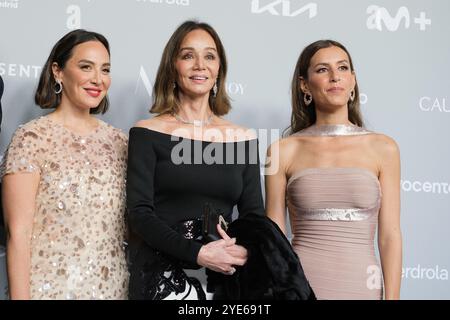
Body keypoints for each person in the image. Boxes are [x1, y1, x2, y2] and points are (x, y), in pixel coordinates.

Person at [126, 20, 265, 300]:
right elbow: (139, 213)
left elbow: (254, 216)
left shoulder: (242, 138)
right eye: (188, 55)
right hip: (163, 278)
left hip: (225, 277)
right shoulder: (147, 132)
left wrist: (243, 251)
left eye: (209, 56)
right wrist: (199, 253)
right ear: (172, 68)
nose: (200, 65)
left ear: (219, 70)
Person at [265, 40, 402, 300]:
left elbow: (390, 235)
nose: (335, 76)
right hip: (300, 287)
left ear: (353, 81)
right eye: (322, 70)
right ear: (304, 84)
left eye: (342, 68)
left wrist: (393, 298)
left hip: (362, 286)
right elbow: (275, 237)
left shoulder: (383, 148)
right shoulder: (282, 151)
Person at [1, 29, 129, 299]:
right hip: (48, 290)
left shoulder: (121, 143)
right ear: (58, 71)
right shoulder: (31, 138)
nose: (98, 79)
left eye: (105, 70)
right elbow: (18, 232)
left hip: (113, 290)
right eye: (86, 67)